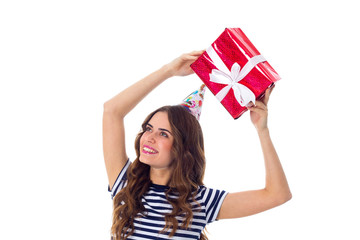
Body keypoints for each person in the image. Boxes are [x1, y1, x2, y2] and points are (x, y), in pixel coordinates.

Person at [103, 50, 292, 240]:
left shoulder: (200, 202)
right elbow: (112, 111)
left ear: (183, 148)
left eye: (163, 134)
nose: (149, 138)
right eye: (148, 128)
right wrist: (168, 71)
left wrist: (262, 130)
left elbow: (277, 194)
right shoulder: (125, 185)